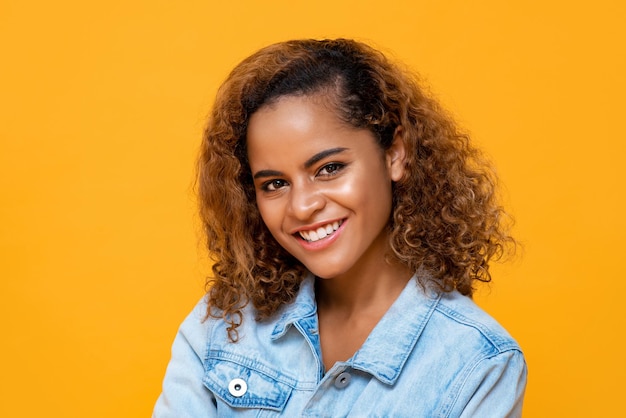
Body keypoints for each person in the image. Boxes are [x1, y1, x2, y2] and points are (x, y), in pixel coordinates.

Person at [153, 38, 527, 417]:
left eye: (329, 169)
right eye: (274, 184)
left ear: (395, 154)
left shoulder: (479, 365)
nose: (302, 206)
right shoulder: (225, 324)